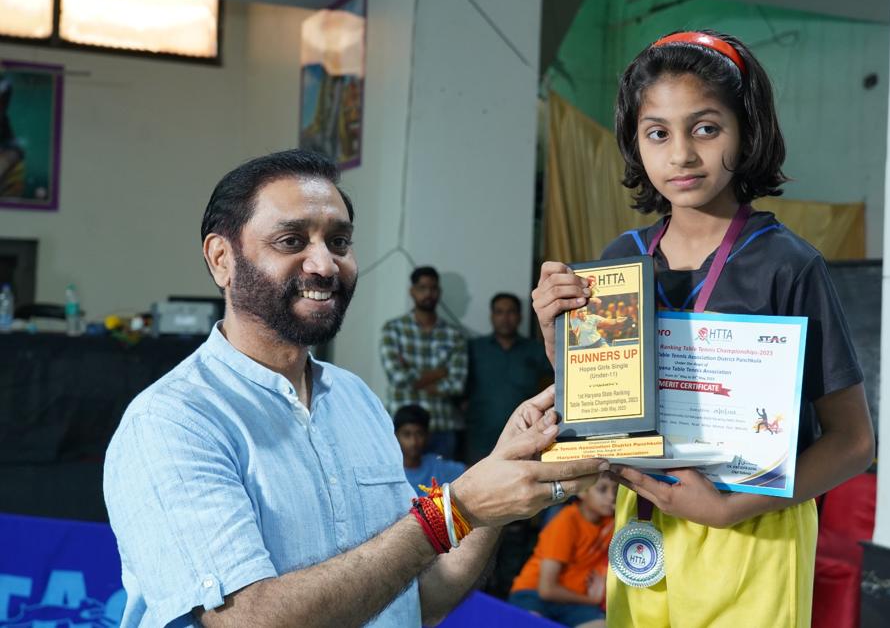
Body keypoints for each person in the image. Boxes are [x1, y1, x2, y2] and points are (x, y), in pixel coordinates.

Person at [103, 149, 608, 628]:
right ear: (222, 259)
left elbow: (416, 598)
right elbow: (246, 619)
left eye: (339, 242)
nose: (325, 264)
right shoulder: (173, 422)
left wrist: (495, 490)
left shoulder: (356, 400)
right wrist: (455, 510)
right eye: (291, 241)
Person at [531, 31, 875, 627]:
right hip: (644, 525)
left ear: (747, 131)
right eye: (658, 133)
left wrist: (728, 509)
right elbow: (603, 411)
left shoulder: (788, 264)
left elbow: (853, 442)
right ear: (635, 142)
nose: (682, 155)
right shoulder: (621, 259)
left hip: (755, 529)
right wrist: (555, 339)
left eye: (706, 128)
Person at [507, 473, 617, 628]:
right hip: (533, 594)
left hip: (573, 603)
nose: (611, 497)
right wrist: (592, 600)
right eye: (602, 489)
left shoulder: (613, 524)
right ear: (582, 491)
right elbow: (547, 589)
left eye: (616, 491)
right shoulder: (566, 521)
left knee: (603, 625)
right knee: (532, 622)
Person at [380, 266, 467, 459]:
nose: (428, 293)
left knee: (442, 479)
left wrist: (413, 378)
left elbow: (456, 385)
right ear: (412, 291)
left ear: (439, 292)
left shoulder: (454, 335)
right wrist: (439, 373)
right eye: (422, 288)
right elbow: (397, 378)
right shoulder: (394, 329)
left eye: (433, 288)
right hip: (403, 429)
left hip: (441, 427)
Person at [465, 293, 552, 464]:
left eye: (511, 312)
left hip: (523, 434)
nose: (505, 318)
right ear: (492, 316)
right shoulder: (475, 348)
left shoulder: (534, 350)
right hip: (480, 436)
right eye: (499, 312)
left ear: (520, 316)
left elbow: (559, 378)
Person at [394, 404, 466, 490]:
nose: (413, 442)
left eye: (419, 434)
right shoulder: (391, 473)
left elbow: (471, 473)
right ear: (395, 437)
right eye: (407, 434)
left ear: (428, 436)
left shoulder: (436, 465)